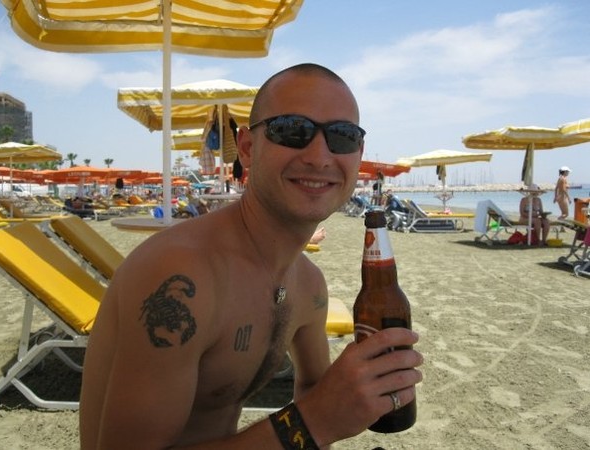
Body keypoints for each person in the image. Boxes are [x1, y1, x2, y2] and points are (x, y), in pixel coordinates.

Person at [79, 63, 423, 449]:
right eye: (292, 130)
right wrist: (314, 422)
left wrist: (351, 393)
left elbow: (315, 390)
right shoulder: (181, 276)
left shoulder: (309, 285)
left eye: (342, 137)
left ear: (357, 154)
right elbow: (316, 417)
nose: (319, 156)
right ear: (247, 147)